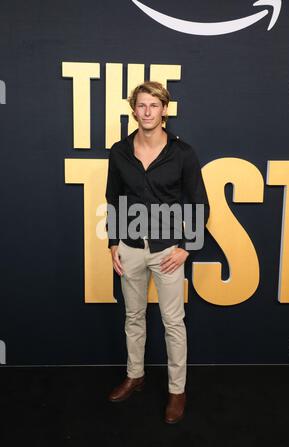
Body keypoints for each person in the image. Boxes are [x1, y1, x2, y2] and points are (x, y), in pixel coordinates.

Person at [105, 81, 209, 424]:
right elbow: (114, 200)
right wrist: (113, 243)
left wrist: (186, 248)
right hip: (131, 249)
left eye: (154, 105)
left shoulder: (183, 153)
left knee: (173, 323)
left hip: (168, 250)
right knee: (133, 316)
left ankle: (177, 391)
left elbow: (198, 203)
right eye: (141, 105)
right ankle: (135, 376)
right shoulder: (119, 151)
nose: (147, 112)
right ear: (133, 110)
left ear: (165, 109)